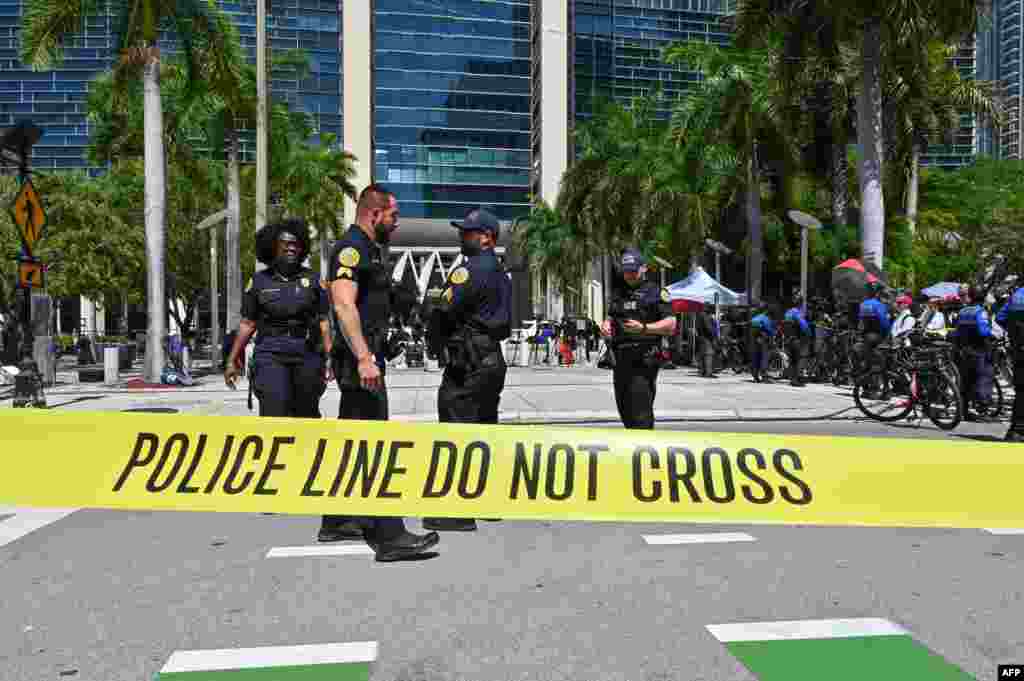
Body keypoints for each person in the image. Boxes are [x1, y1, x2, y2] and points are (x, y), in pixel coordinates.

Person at [323, 183, 440, 561]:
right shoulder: (352, 249)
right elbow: (343, 305)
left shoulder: (370, 250)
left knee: (355, 440)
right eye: (393, 215)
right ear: (375, 213)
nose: (397, 221)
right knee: (377, 446)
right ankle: (390, 537)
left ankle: (338, 520)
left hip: (365, 358)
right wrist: (363, 357)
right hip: (362, 363)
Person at [224, 219, 332, 511]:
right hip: (270, 352)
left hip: (306, 352)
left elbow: (324, 322)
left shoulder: (313, 279)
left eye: (296, 243)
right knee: (274, 413)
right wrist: (233, 358)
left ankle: (307, 479)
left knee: (307, 414)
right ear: (272, 247)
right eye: (285, 243)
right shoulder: (259, 282)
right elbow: (247, 324)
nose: (291, 248)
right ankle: (272, 486)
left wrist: (330, 356)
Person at [422, 208, 512, 532]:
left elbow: (443, 309)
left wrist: (434, 341)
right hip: (490, 358)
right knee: (485, 432)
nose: (462, 236)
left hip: (469, 360)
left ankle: (458, 512)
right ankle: (487, 501)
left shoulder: (469, 269)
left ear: (486, 237)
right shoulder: (499, 271)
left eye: (468, 232)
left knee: (457, 429)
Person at [600, 249, 676, 429]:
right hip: (620, 359)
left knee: (640, 412)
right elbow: (612, 316)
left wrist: (644, 328)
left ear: (644, 269)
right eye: (626, 271)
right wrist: (606, 325)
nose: (629, 275)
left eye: (633, 270)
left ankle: (646, 452)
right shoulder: (620, 292)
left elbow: (671, 325)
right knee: (624, 409)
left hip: (644, 358)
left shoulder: (656, 292)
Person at [952, 286, 995, 420]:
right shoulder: (980, 311)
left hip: (964, 350)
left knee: (966, 381)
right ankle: (982, 409)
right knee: (983, 378)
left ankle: (963, 411)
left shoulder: (963, 311)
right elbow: (983, 332)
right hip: (979, 349)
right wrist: (992, 336)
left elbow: (957, 331)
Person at [996, 285, 1024, 441]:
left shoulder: (1017, 295)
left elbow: (1000, 317)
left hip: (1018, 349)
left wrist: (1014, 333)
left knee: (1020, 390)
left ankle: (1016, 430)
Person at [858, 282, 891, 375]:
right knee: (886, 358)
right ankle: (885, 383)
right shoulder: (879, 305)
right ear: (877, 293)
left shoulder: (863, 304)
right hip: (877, 335)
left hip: (865, 336)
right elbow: (884, 322)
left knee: (868, 357)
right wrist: (889, 333)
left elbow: (860, 322)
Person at [782, 293, 812, 387]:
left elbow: (783, 325)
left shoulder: (787, 312)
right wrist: (809, 335)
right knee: (796, 359)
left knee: (791, 359)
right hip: (796, 339)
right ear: (801, 303)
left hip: (787, 339)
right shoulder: (797, 313)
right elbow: (804, 327)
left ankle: (792, 378)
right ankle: (795, 379)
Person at [750, 305, 776, 383]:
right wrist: (772, 339)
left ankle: (755, 377)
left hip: (754, 340)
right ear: (766, 311)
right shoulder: (766, 319)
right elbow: (770, 330)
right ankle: (764, 376)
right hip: (764, 340)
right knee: (764, 358)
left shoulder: (754, 318)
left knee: (756, 358)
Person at [696, 305, 718, 378]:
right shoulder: (705, 316)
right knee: (708, 355)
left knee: (703, 354)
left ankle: (703, 371)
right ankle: (708, 372)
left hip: (702, 337)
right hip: (706, 338)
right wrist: (713, 336)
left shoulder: (700, 315)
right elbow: (708, 328)